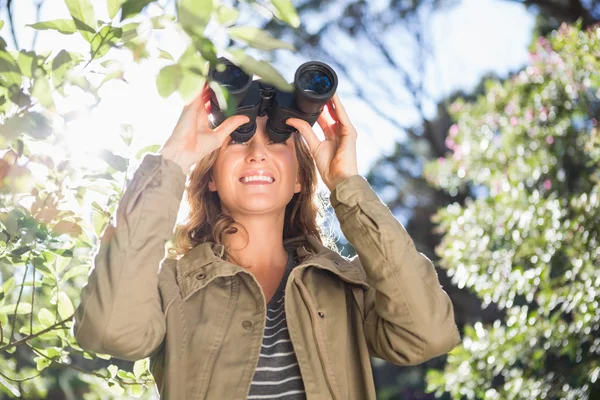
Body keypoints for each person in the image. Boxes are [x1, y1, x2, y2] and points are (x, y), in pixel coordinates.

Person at [72, 83, 461, 400]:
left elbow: (427, 335)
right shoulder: (173, 286)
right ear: (209, 175)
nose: (257, 153)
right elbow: (107, 330)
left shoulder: (348, 285)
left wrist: (347, 183)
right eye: (238, 141)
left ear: (298, 180)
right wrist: (172, 160)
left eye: (277, 141)